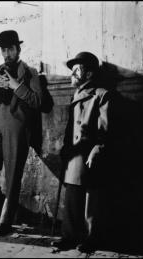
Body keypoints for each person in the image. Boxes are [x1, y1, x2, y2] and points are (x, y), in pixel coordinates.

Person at [0, 30, 44, 236]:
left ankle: (6, 220)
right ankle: (3, 207)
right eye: (4, 50)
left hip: (17, 127)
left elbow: (38, 101)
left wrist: (17, 86)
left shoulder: (30, 72)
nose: (7, 53)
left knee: (13, 174)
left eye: (10, 49)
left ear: (18, 49)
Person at [51, 52, 112, 252]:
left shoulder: (101, 94)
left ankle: (91, 238)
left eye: (77, 70)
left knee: (90, 198)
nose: (73, 74)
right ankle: (69, 235)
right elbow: (70, 128)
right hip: (74, 154)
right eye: (73, 70)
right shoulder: (75, 95)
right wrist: (65, 149)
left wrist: (98, 148)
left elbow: (106, 129)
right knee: (72, 195)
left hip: (90, 155)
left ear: (89, 73)